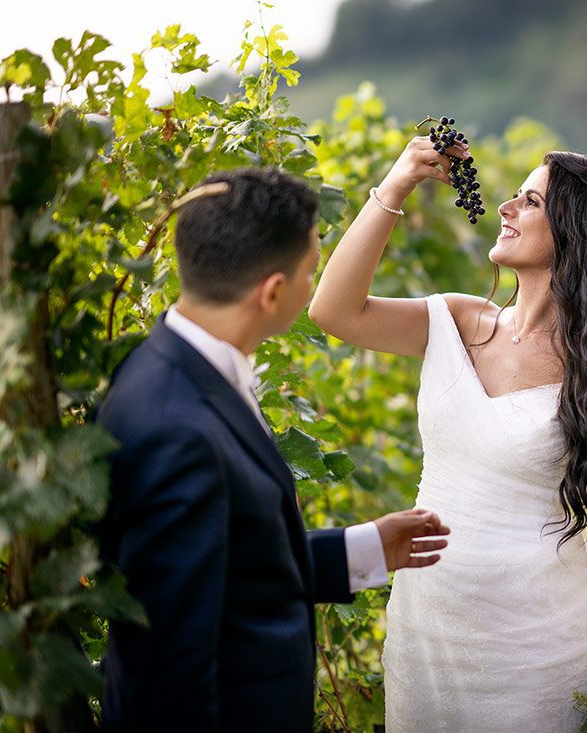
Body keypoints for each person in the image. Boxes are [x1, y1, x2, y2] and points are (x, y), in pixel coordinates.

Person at [308, 135, 587, 731]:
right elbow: (334, 311)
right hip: (428, 632)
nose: (505, 208)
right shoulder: (456, 321)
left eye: (530, 201)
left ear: (575, 234)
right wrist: (395, 186)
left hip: (542, 647)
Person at [96, 168, 450, 733]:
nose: (314, 286)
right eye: (311, 271)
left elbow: (228, 568)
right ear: (273, 292)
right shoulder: (175, 429)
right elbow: (169, 673)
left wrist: (363, 550)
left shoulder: (189, 370)